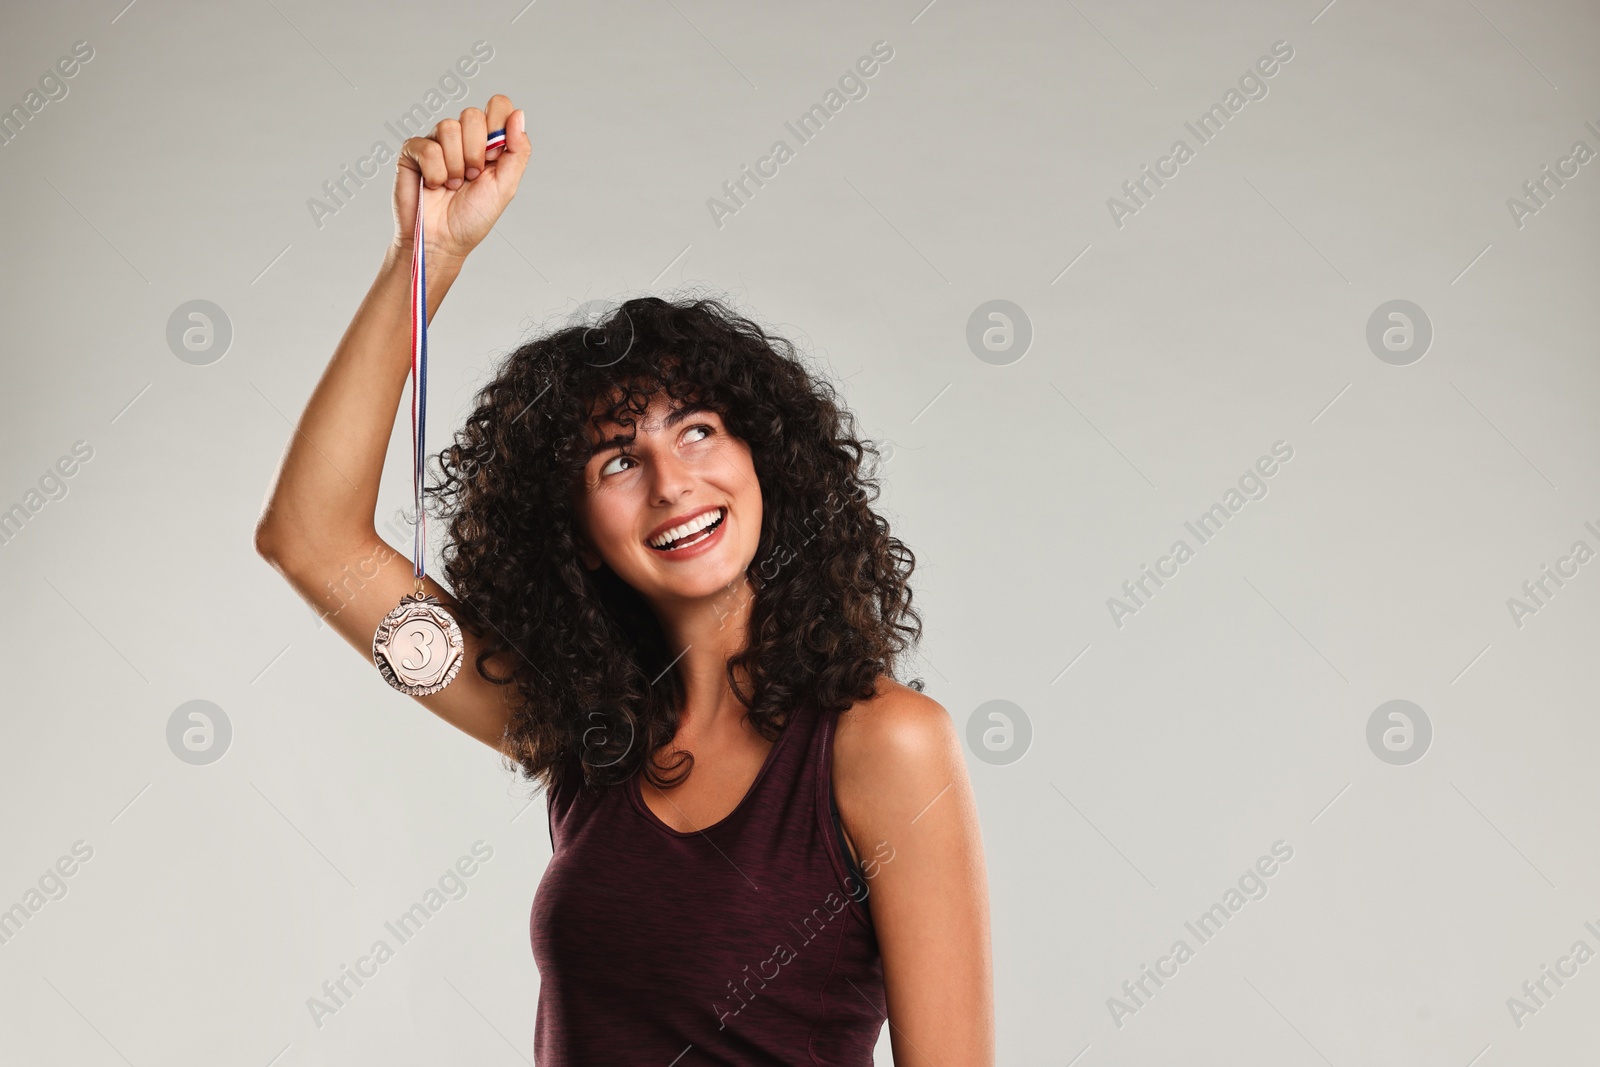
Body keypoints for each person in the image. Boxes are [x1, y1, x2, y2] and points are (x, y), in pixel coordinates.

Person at [254, 93, 993, 1064]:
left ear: (764, 454)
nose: (670, 480)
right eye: (615, 458)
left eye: (696, 428)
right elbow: (311, 539)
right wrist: (426, 258)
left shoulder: (880, 743)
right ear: (569, 532)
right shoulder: (583, 732)